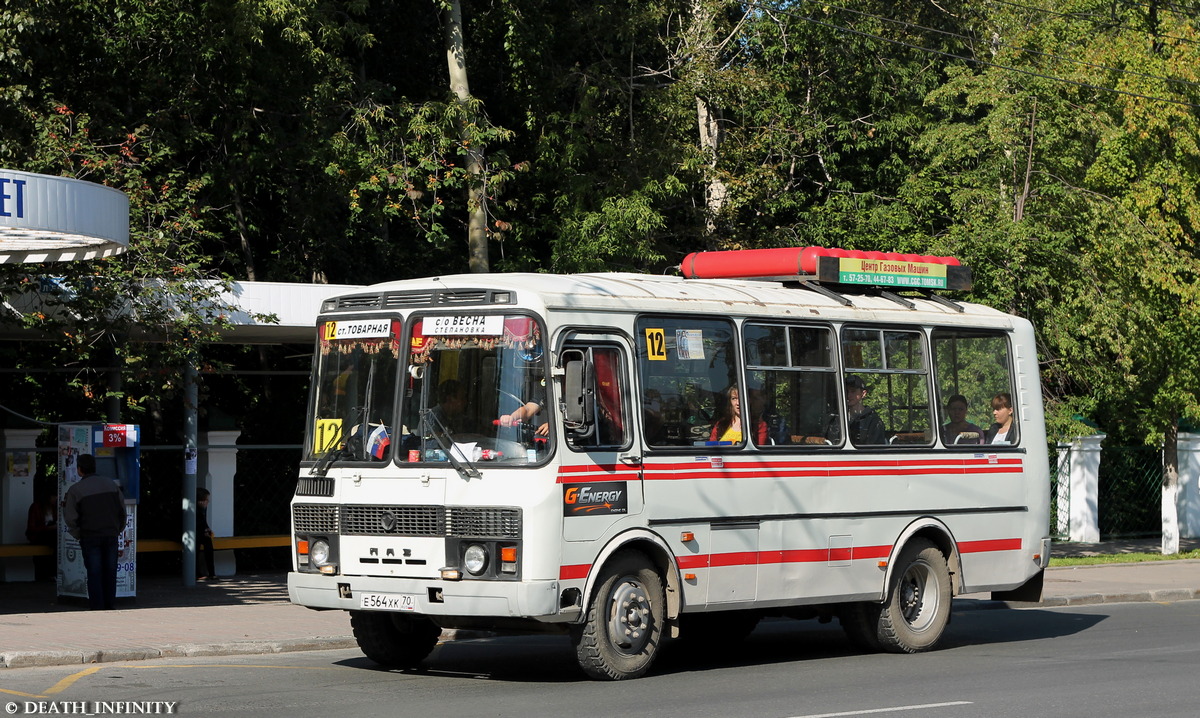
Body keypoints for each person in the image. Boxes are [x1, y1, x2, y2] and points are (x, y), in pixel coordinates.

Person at [63, 454, 127, 610]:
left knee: (94, 571)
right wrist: (117, 529)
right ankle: (109, 604)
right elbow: (122, 511)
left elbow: (70, 518)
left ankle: (97, 606)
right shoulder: (111, 485)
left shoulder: (75, 490)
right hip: (110, 534)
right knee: (110, 571)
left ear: (79, 470)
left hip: (90, 536)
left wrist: (78, 533)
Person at [25, 482, 58, 581]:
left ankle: (51, 572)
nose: (55, 499)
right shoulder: (36, 507)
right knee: (55, 539)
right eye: (54, 497)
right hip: (38, 535)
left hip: (50, 534)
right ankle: (51, 572)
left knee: (57, 540)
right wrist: (48, 528)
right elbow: (31, 528)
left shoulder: (54, 508)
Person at [842, 375, 887, 445]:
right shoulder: (838, 418)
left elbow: (876, 450)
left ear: (863, 394)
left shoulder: (874, 421)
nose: (849, 395)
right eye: (846, 391)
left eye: (853, 391)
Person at [196, 487, 217, 580]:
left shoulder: (202, 509)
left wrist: (207, 529)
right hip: (193, 535)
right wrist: (203, 531)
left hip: (199, 534)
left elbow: (202, 522)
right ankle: (196, 572)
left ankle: (212, 572)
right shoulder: (194, 509)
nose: (207, 502)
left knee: (208, 542)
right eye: (206, 500)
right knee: (196, 542)